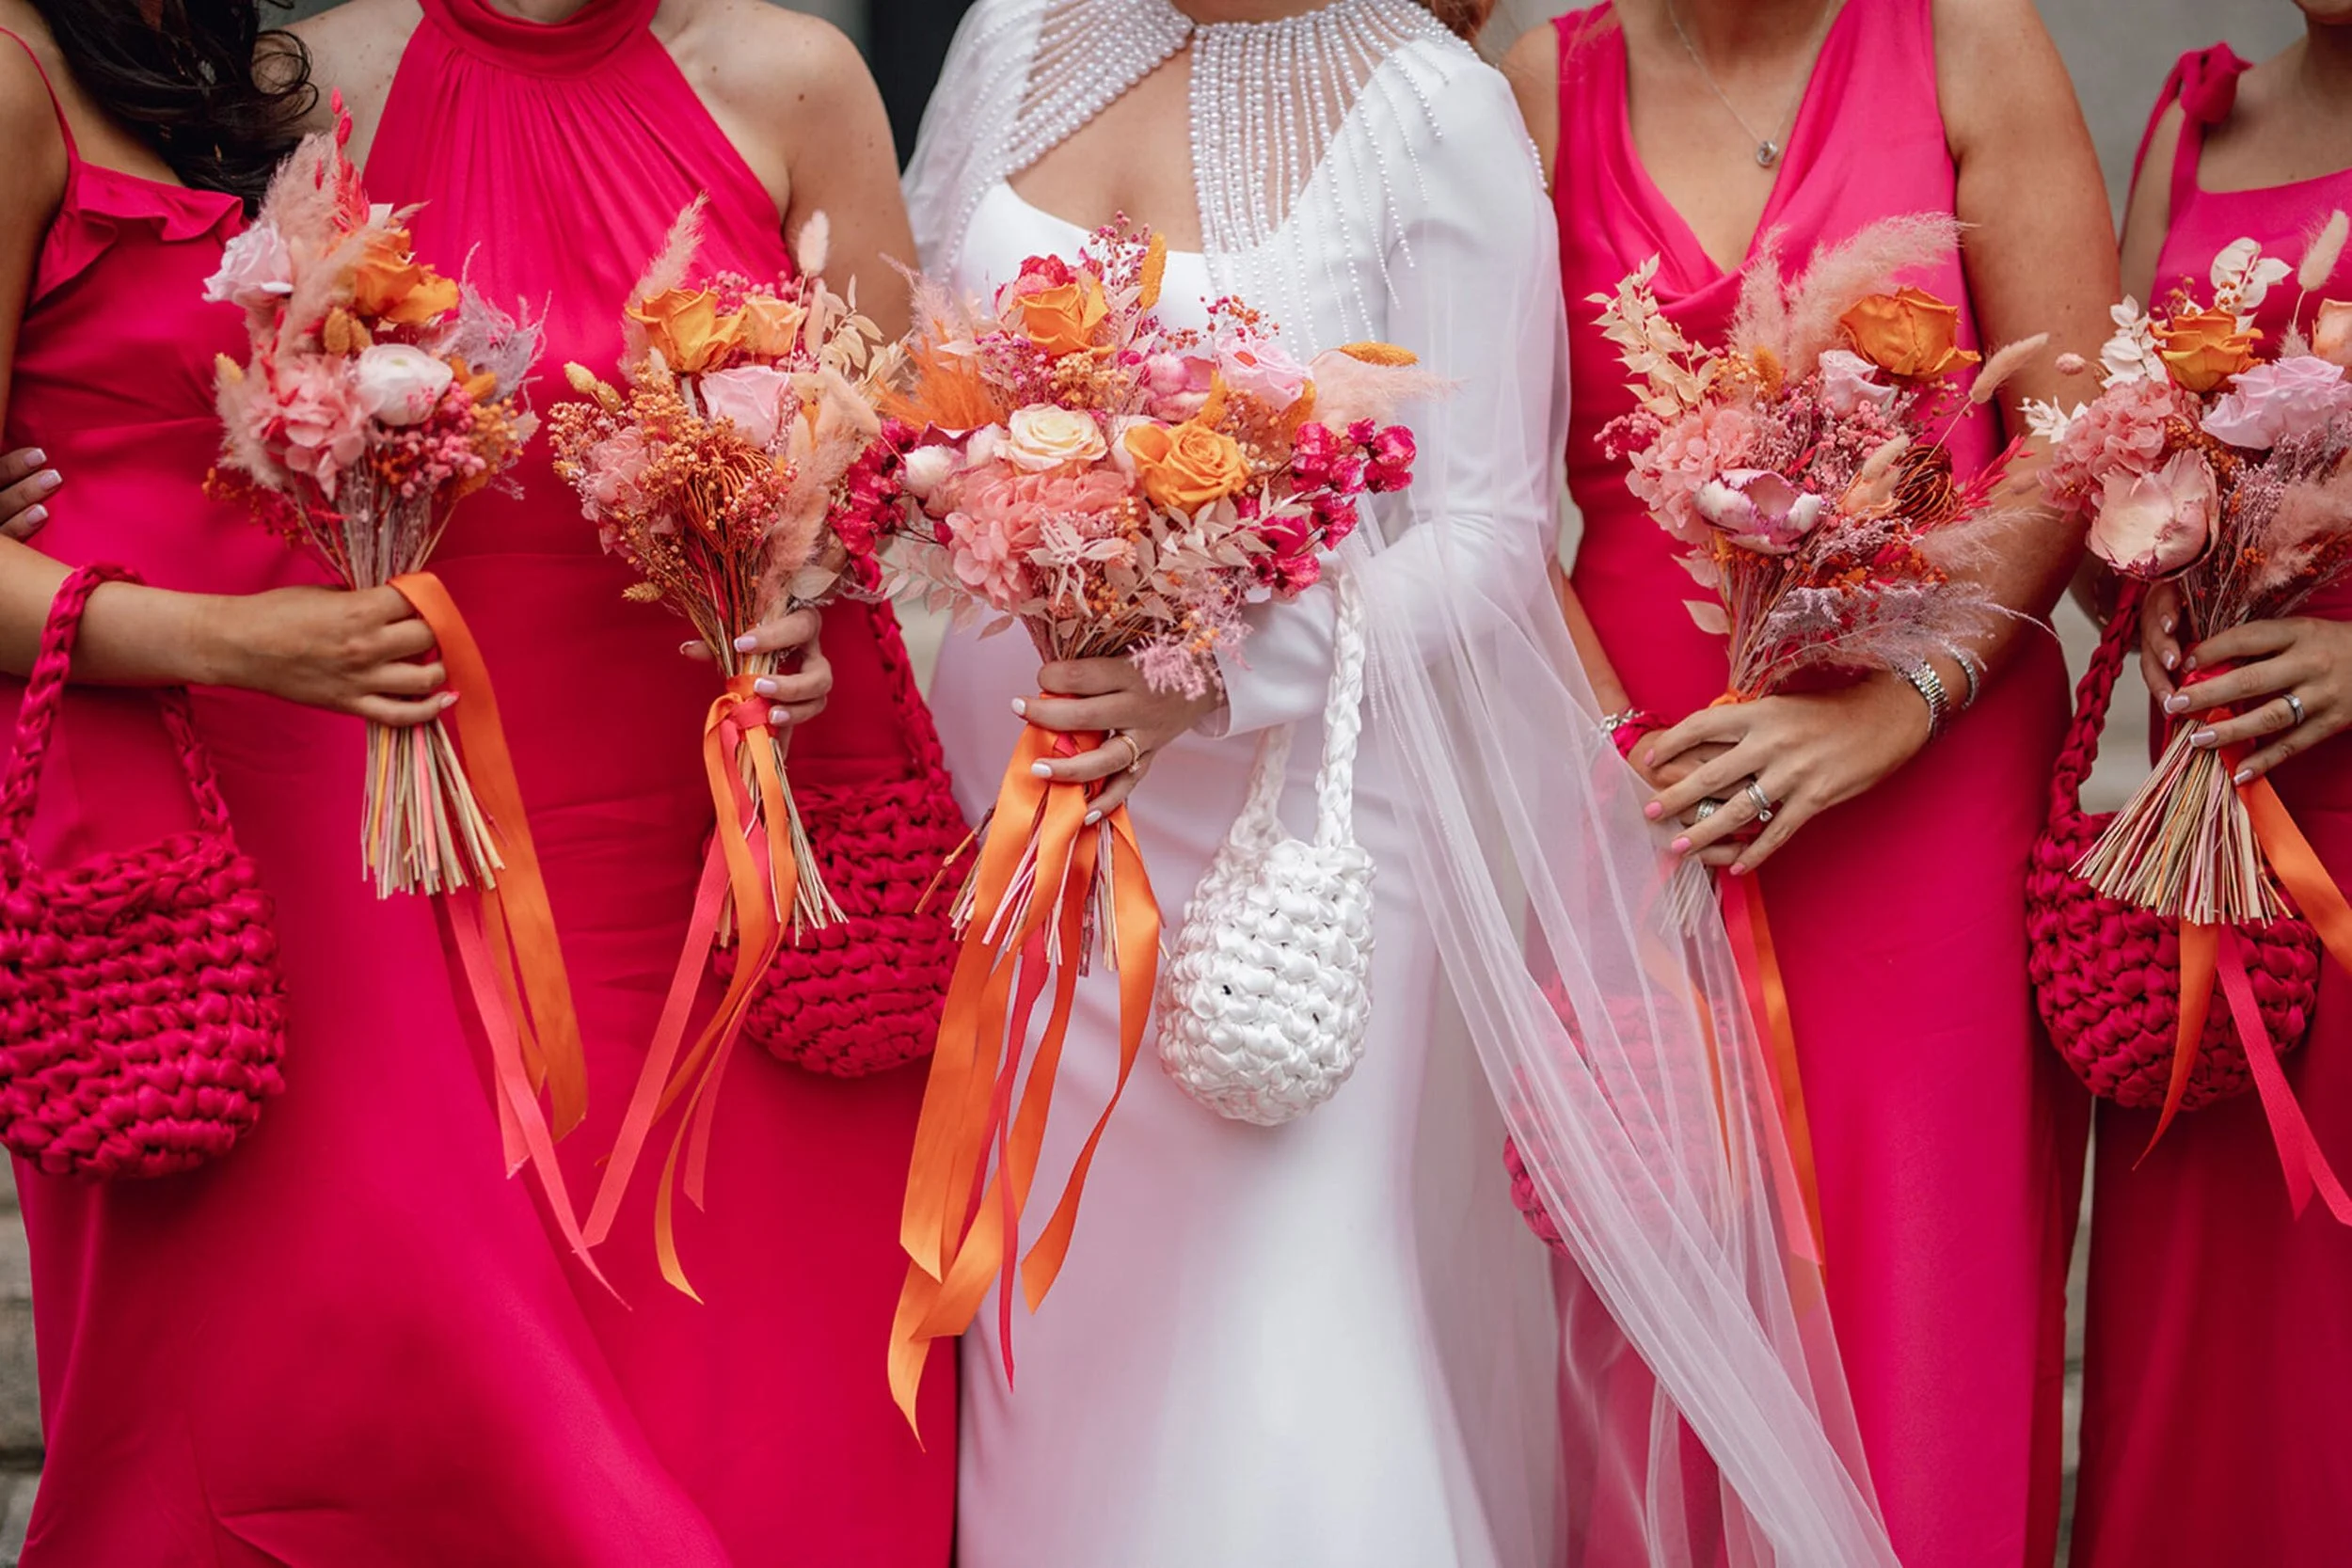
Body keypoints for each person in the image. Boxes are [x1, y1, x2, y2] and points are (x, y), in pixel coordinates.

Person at [906, 0, 1901, 1562]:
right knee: (1045, 1324)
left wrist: (1223, 680)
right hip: (1016, 805)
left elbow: (1495, 541)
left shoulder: (1434, 111)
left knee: (1277, 1316)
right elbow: (912, 396)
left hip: (1295, 832)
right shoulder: (1009, 37)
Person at [0, 1, 743, 1559]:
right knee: (240, 1371)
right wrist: (234, 637)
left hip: (335, 768)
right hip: (155, 786)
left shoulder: (217, 62)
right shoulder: (10, 77)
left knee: (422, 1320)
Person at [286, 0, 956, 1560]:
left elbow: (900, 440)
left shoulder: (800, 75)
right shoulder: (320, 83)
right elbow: (234, 422)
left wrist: (819, 594)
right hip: (440, 837)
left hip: (757, 839)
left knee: (784, 1408)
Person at [1502, 3, 2114, 1564]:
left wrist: (1898, 707)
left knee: (1925, 1312)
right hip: (1650, 800)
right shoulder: (1536, 83)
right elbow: (1492, 495)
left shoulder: (1970, 44)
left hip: (1932, 800)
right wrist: (1624, 769)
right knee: (1666, 1315)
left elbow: (2068, 446)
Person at [2072, 15, 2352, 1566]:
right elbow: (2121, 461)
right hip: (2219, 856)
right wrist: (2153, 576)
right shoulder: (2194, 129)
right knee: (2199, 1373)